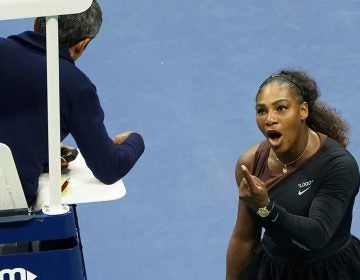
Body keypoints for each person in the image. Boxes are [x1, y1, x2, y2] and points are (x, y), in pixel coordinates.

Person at [0, 0, 144, 207]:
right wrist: (135, 140)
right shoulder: (76, 87)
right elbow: (109, 168)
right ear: (82, 44)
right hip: (6, 200)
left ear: (35, 22)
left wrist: (44, 150)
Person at [226, 69, 360, 279]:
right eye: (261, 111)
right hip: (273, 271)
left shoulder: (339, 165)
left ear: (303, 111)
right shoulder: (250, 163)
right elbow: (244, 239)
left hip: (331, 272)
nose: (270, 119)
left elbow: (316, 236)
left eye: (281, 108)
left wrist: (265, 209)